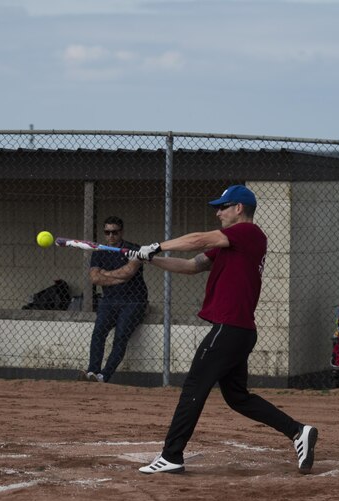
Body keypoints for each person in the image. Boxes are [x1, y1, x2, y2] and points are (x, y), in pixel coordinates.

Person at [126, 185, 318, 475]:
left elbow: (197, 240)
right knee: (238, 397)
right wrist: (149, 258)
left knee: (194, 386)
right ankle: (298, 431)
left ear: (239, 208)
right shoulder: (231, 244)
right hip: (237, 330)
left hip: (230, 328)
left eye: (223, 207)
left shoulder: (247, 233)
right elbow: (192, 265)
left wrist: (159, 245)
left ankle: (172, 455)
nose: (218, 212)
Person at [82, 216, 148, 383]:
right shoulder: (100, 251)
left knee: (121, 336)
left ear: (121, 232)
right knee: (98, 333)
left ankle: (104, 376)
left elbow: (128, 273)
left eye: (115, 232)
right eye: (107, 232)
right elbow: (94, 279)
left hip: (134, 300)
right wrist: (118, 277)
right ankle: (92, 372)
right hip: (110, 299)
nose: (111, 236)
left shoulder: (133, 249)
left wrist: (105, 274)